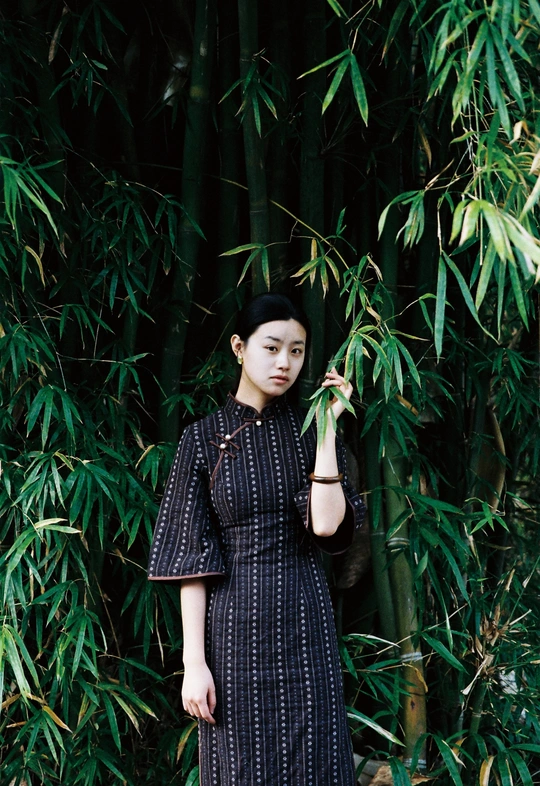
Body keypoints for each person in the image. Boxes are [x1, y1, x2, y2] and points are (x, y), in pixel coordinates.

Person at [148, 293, 366, 786]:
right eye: (271, 347)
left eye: (297, 350)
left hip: (304, 622)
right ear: (239, 347)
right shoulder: (202, 439)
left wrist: (326, 429)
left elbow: (326, 525)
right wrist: (194, 664)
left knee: (314, 762)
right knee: (239, 767)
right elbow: (191, 561)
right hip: (233, 631)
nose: (284, 362)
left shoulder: (309, 431)